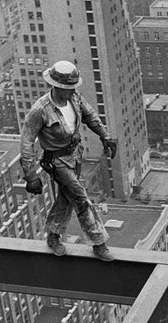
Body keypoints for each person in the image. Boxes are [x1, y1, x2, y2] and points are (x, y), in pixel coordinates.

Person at [20, 61, 117, 262]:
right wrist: (30, 176)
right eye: (66, 88)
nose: (70, 91)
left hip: (75, 155)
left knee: (66, 197)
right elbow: (26, 142)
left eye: (72, 87)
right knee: (81, 198)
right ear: (54, 86)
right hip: (56, 161)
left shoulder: (75, 98)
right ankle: (98, 243)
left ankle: (53, 235)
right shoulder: (41, 110)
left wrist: (105, 136)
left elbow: (90, 116)